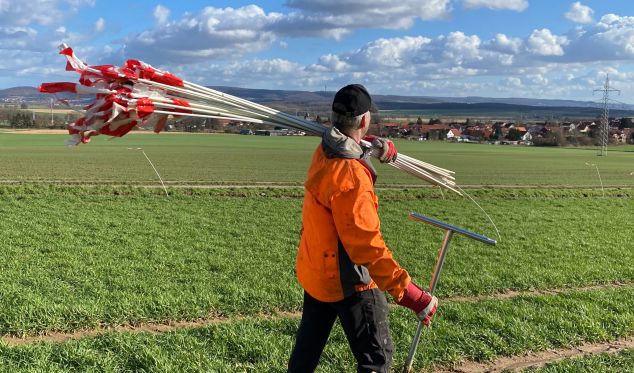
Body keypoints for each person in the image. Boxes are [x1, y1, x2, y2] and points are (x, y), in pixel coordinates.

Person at [287, 84, 438, 373]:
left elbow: (349, 145)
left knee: (304, 358)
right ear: (365, 120)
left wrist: (375, 146)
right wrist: (411, 295)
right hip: (350, 282)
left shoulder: (323, 151)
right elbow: (365, 245)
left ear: (333, 119)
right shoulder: (352, 175)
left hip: (317, 272)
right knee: (376, 360)